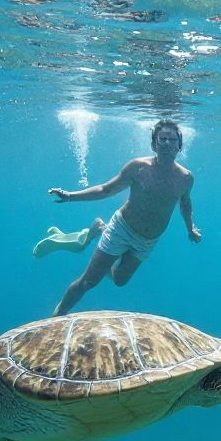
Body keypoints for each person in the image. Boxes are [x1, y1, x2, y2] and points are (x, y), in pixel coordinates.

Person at [47, 120, 201, 315]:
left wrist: (190, 228)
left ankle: (99, 230)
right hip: (122, 229)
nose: (167, 144)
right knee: (89, 281)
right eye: (162, 139)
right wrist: (70, 196)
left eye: (172, 140)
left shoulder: (186, 178)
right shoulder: (138, 167)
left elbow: (185, 203)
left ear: (180, 146)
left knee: (119, 280)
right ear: (154, 145)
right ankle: (56, 316)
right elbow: (106, 189)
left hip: (148, 240)